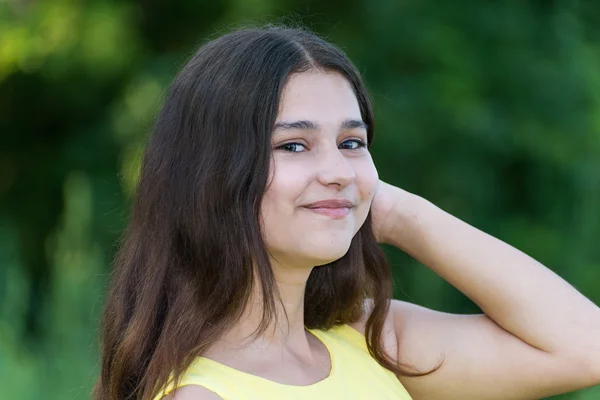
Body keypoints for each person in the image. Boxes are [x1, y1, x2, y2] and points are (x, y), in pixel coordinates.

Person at [94, 25, 600, 400]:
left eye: (351, 142)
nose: (336, 168)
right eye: (294, 145)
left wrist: (397, 212)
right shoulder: (204, 394)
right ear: (211, 174)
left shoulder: (366, 337)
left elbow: (585, 346)